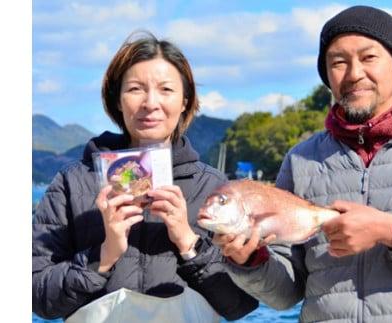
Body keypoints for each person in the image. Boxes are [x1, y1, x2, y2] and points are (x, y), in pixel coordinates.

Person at [214, 6, 392, 323]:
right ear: (328, 78)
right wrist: (249, 259)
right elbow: (285, 294)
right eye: (338, 62)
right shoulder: (302, 159)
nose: (354, 73)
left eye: (369, 57)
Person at [32, 30, 258, 321]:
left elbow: (241, 304)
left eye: (166, 90)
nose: (151, 103)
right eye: (135, 89)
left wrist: (189, 244)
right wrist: (103, 256)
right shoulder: (72, 182)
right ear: (117, 100)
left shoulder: (216, 189)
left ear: (185, 101)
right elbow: (38, 297)